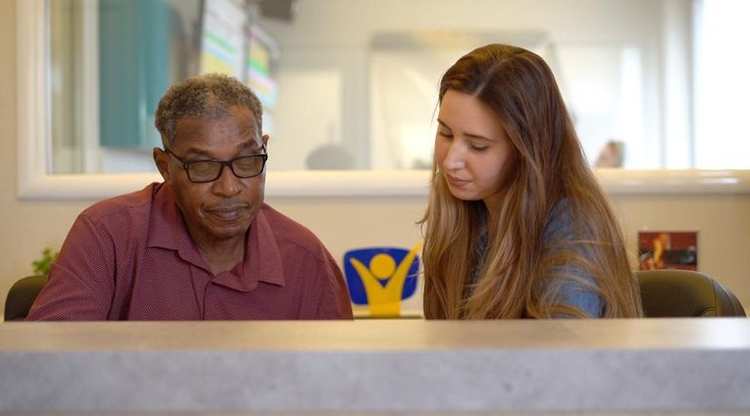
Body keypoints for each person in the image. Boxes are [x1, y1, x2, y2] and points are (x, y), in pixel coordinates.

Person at [27, 74, 353, 320]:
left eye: (246, 161)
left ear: (264, 148)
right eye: (202, 166)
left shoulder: (306, 259)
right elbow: (50, 372)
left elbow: (342, 389)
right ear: (165, 166)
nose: (229, 187)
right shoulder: (107, 234)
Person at [420, 44, 642, 319]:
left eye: (478, 146)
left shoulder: (572, 227)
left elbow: (558, 358)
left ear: (527, 151)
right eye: (445, 133)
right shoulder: (464, 209)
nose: (451, 160)